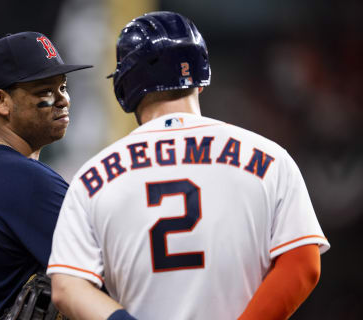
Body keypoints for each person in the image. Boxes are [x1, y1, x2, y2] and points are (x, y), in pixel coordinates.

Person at [46, 11, 330, 320]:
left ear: (125, 88)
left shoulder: (92, 177)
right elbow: (304, 265)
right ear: (201, 77)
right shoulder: (270, 158)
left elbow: (67, 288)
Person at [0, 31, 92, 319]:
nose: (63, 100)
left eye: (63, 87)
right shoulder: (18, 178)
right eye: (44, 91)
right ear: (0, 101)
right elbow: (104, 274)